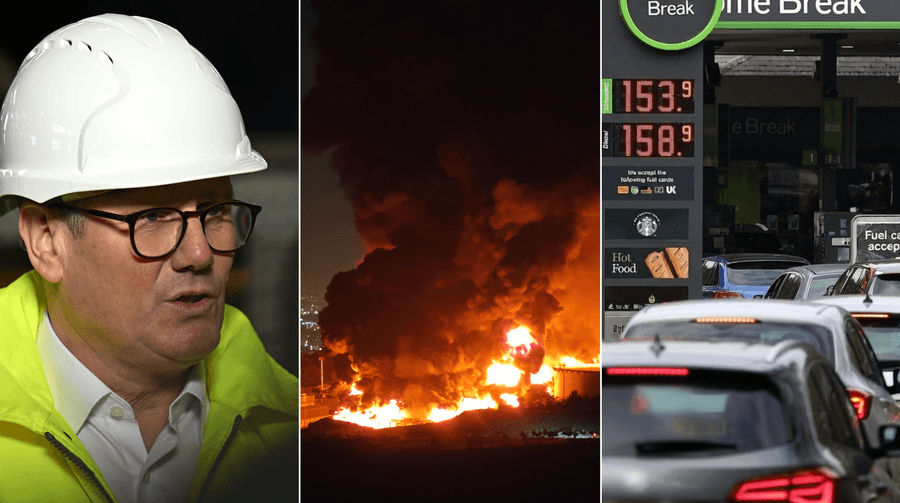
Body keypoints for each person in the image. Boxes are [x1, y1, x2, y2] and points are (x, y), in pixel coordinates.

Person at [0, 14, 298, 503]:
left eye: (216, 210)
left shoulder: (293, 433)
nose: (201, 253)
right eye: (153, 216)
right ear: (47, 242)